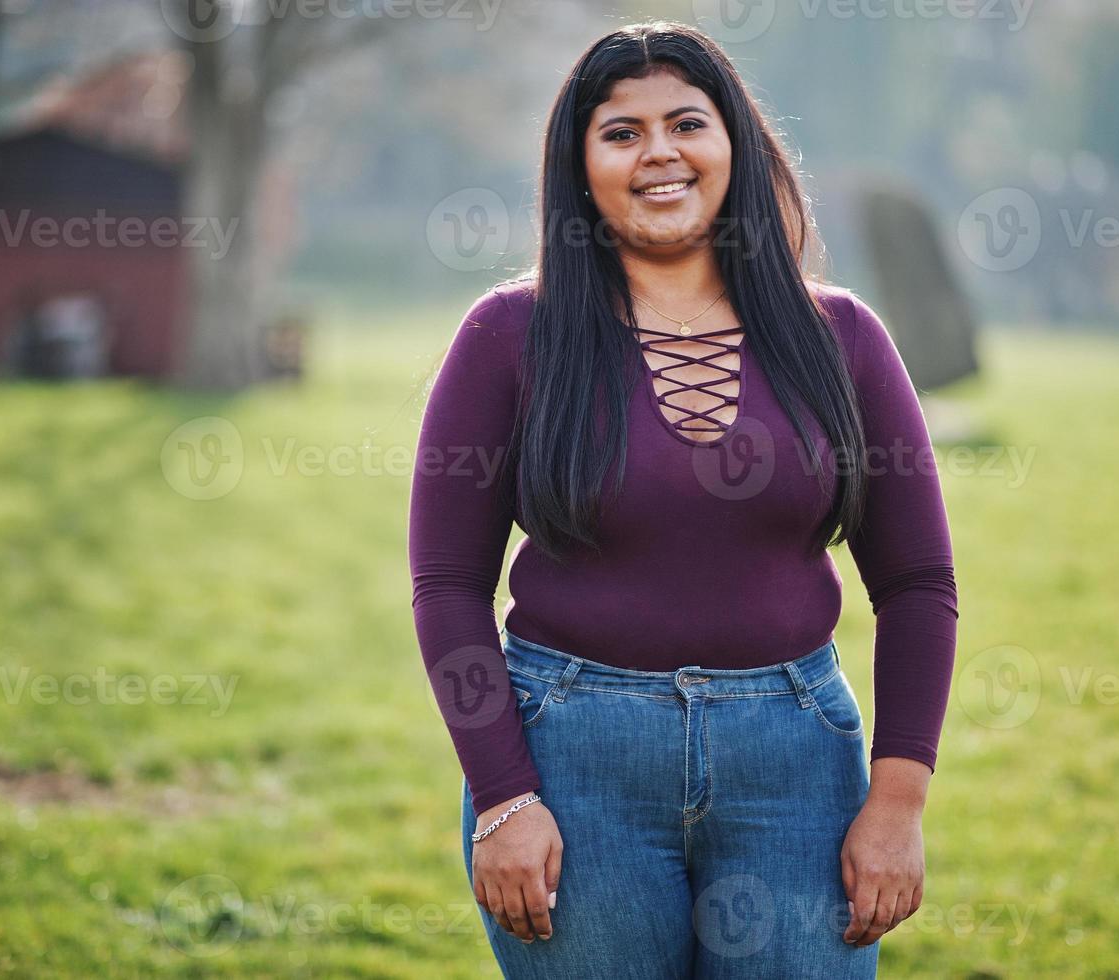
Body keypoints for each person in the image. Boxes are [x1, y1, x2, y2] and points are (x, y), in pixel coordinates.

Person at [407, 21, 958, 979]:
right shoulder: (509, 334)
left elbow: (916, 583)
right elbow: (447, 584)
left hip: (795, 765)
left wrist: (898, 800)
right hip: (570, 763)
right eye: (620, 132)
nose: (658, 152)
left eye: (686, 124)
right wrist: (502, 796)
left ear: (734, 149)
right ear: (580, 168)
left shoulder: (841, 337)